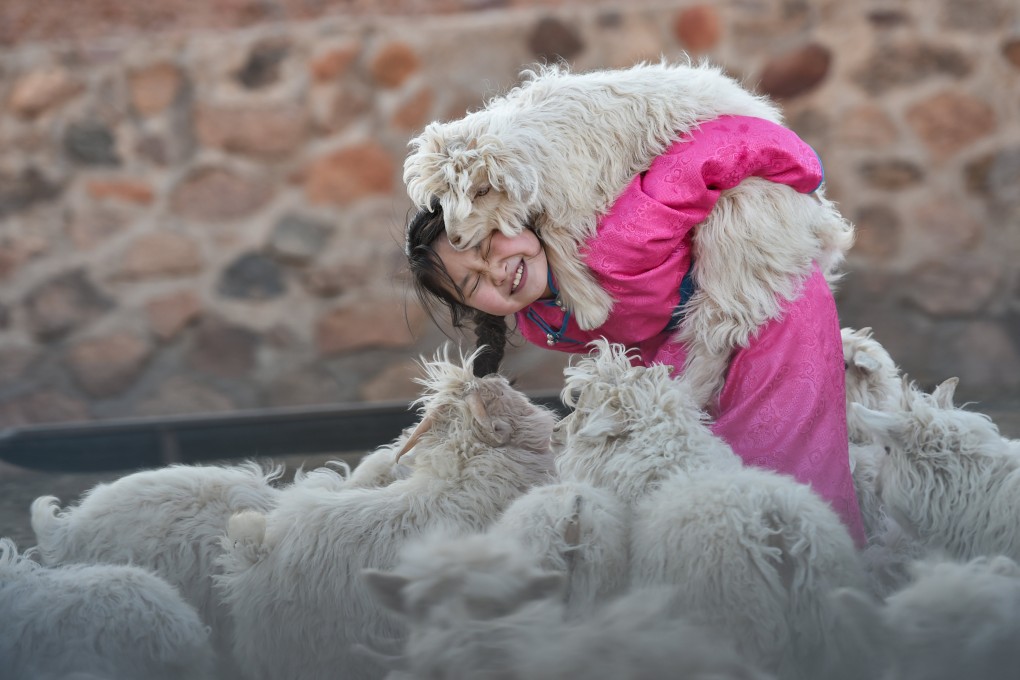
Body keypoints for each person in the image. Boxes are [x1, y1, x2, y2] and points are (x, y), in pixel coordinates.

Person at [405, 115, 866, 546]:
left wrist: (804, 170)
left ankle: (815, 568)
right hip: (686, 346)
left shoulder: (618, 237)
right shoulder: (543, 319)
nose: (498, 272)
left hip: (769, 306)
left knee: (779, 463)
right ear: (467, 307)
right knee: (683, 480)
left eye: (489, 244)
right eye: (474, 284)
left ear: (511, 214)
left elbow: (723, 145)